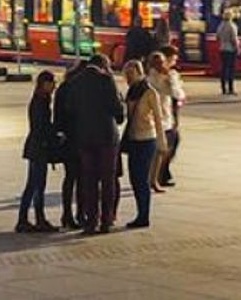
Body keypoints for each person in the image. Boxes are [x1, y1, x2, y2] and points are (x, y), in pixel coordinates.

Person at [66, 54, 125, 234]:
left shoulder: (75, 82)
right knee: (108, 180)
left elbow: (70, 111)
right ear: (104, 65)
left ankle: (91, 221)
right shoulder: (106, 80)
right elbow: (117, 110)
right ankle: (106, 221)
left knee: (88, 180)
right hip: (107, 138)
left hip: (84, 138)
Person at [121, 60, 165, 229]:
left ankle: (144, 215)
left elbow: (158, 118)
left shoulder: (149, 92)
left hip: (147, 139)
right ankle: (140, 213)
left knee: (141, 179)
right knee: (134, 178)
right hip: (133, 139)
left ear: (139, 73)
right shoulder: (131, 92)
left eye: (131, 74)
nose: (128, 78)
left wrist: (162, 141)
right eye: (126, 75)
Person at [17, 71, 59, 233]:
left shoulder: (41, 99)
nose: (54, 86)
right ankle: (34, 219)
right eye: (52, 83)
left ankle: (27, 218)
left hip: (35, 147)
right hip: (38, 148)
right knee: (36, 184)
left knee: (34, 184)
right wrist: (55, 134)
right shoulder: (40, 101)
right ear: (44, 84)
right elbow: (42, 127)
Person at [53, 60, 88, 229]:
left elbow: (57, 116)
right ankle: (80, 214)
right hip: (79, 139)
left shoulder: (64, 87)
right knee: (81, 178)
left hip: (67, 140)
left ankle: (67, 214)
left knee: (70, 178)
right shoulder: (78, 88)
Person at [148, 48, 186, 189]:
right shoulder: (155, 78)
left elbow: (179, 94)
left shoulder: (169, 75)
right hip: (160, 118)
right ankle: (158, 176)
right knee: (163, 148)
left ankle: (160, 174)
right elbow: (175, 93)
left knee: (169, 145)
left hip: (167, 115)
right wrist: (170, 78)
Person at [216, 9, 240, 95]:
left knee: (224, 69)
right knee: (231, 70)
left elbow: (217, 37)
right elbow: (234, 39)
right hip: (230, 50)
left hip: (222, 49)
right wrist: (238, 48)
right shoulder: (232, 26)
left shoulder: (221, 25)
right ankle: (231, 89)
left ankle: (223, 88)